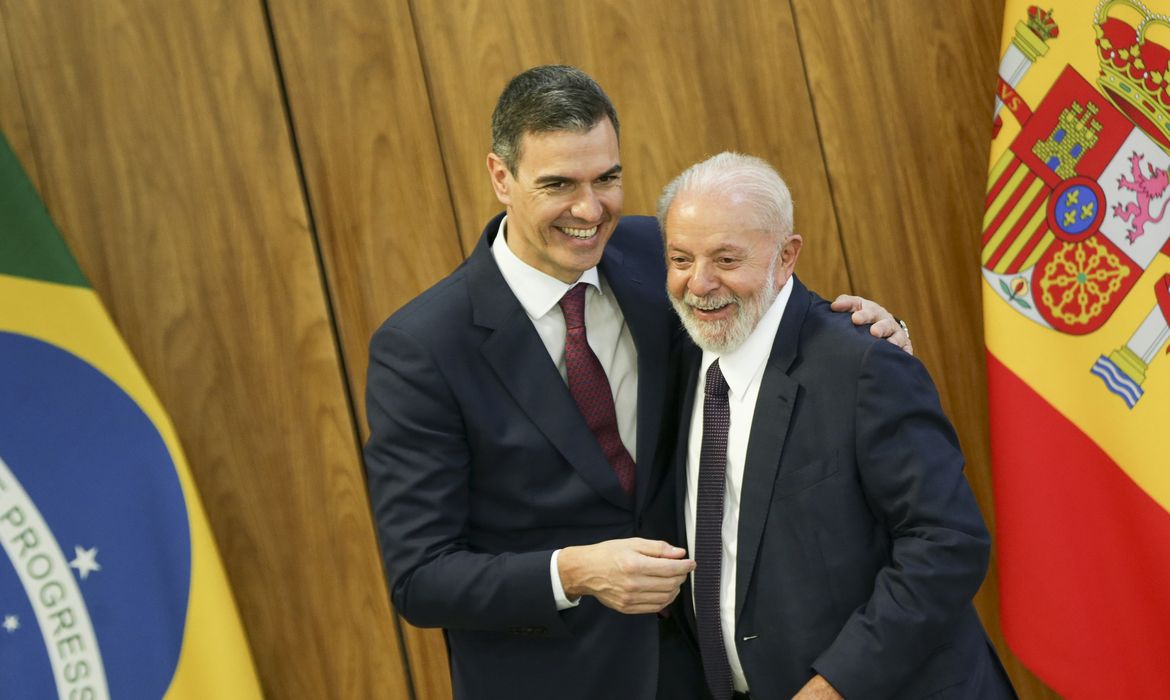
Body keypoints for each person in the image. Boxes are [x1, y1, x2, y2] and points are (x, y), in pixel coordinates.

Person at [363, 66, 907, 700]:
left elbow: (784, 329)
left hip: (707, 670)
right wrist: (573, 572)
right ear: (500, 177)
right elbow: (420, 578)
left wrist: (871, 331)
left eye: (607, 179)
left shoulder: (664, 252)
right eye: (559, 184)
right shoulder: (422, 347)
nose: (590, 211)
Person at [658, 152, 1015, 700]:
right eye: (680, 259)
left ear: (787, 256)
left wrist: (836, 685)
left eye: (727, 259)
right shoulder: (680, 361)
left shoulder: (865, 364)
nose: (699, 283)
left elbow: (947, 543)